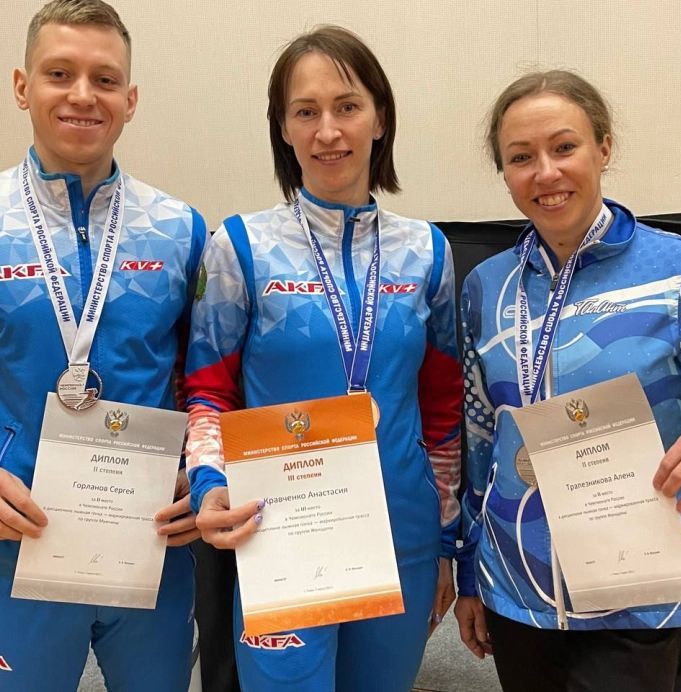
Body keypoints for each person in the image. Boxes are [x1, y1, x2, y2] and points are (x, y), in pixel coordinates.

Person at [0, 1, 205, 689]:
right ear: (23, 87)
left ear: (130, 99)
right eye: (60, 73)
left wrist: (201, 471)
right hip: (20, 540)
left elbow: (207, 380)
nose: (83, 94)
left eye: (105, 79)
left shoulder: (181, 230)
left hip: (150, 540)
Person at [454, 69, 681, 691]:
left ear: (603, 147)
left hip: (635, 584)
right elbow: (480, 442)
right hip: (516, 582)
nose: (545, 172)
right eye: (521, 157)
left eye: (564, 147)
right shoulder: (485, 288)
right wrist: (471, 572)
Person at [182, 25, 462, 692]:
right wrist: (208, 482)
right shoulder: (240, 246)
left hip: (400, 532)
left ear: (380, 117)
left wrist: (445, 538)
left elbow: (443, 409)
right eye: (306, 111)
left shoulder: (427, 251)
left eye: (347, 106)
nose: (328, 130)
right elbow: (208, 392)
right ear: (282, 128)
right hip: (281, 530)